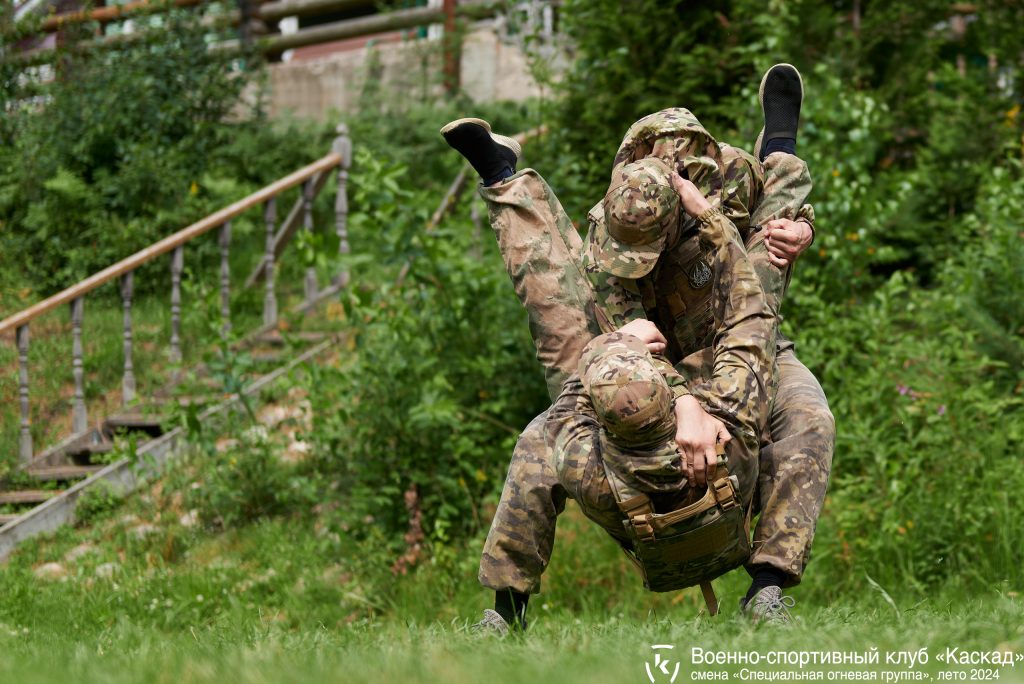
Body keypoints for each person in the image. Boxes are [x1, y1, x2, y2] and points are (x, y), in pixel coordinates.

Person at [440, 65, 834, 629]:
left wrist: (801, 229)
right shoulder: (613, 227)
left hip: (730, 334)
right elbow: (612, 338)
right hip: (634, 359)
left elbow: (752, 297)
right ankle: (506, 611)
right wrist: (681, 399)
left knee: (808, 416)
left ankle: (766, 590)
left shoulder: (733, 180)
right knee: (543, 414)